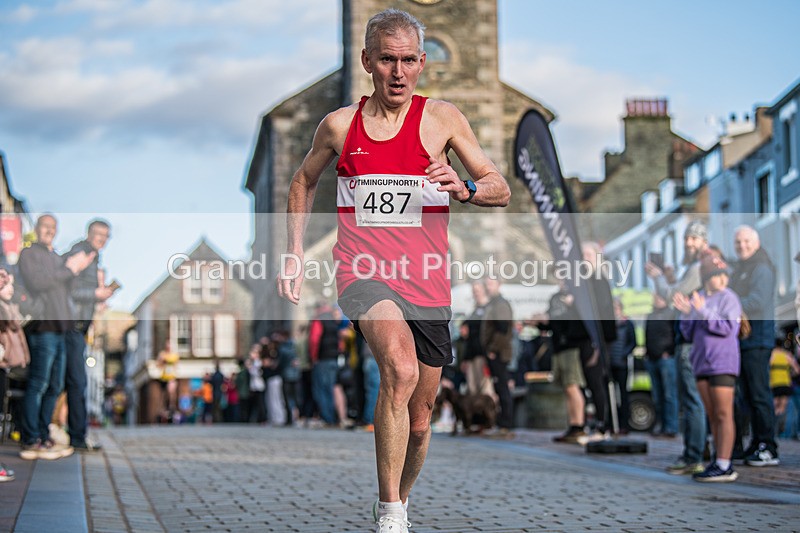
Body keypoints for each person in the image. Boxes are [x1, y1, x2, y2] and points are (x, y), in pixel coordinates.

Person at [276, 9, 510, 532]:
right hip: (364, 272)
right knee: (399, 370)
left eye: (408, 60)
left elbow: (500, 186)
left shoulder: (443, 119)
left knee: (422, 419)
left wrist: (466, 188)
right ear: (367, 62)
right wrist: (294, 253)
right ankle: (389, 512)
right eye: (387, 60)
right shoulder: (339, 126)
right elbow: (301, 182)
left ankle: (400, 499)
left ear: (422, 63)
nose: (398, 72)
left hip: (426, 276)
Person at [18, 214, 95, 460]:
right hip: (43, 328)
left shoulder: (55, 258)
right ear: (38, 229)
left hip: (63, 329)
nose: (49, 231)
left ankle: (43, 435)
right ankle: (30, 438)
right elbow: (38, 283)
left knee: (55, 386)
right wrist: (69, 270)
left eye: (53, 227)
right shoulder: (29, 254)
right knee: (39, 383)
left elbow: (67, 291)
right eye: (44, 226)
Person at [646, 220, 709, 475]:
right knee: (692, 400)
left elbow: (674, 296)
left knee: (692, 400)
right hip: (689, 338)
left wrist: (659, 278)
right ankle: (696, 451)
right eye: (687, 238)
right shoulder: (692, 267)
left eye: (693, 238)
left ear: (703, 241)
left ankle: (693, 455)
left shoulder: (698, 266)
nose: (688, 243)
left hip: (691, 341)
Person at [675, 249, 742, 482]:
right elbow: (689, 333)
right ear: (705, 278)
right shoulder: (700, 297)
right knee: (712, 414)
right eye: (716, 274)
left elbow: (729, 329)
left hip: (723, 362)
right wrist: (687, 314)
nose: (722, 278)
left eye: (724, 274)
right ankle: (717, 459)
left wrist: (702, 311)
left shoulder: (729, 298)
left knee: (724, 413)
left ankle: (725, 463)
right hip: (702, 362)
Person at [729, 225, 779, 466]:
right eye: (738, 242)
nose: (742, 246)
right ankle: (756, 443)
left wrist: (729, 305)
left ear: (756, 243)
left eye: (746, 241)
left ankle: (768, 446)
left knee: (760, 395)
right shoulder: (741, 268)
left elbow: (757, 301)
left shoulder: (761, 267)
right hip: (744, 341)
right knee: (748, 396)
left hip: (758, 340)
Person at [63, 219, 113, 451]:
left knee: (68, 382)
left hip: (78, 325)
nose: (102, 239)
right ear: (89, 233)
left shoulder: (93, 256)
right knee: (77, 382)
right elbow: (69, 288)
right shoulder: (81, 252)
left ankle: (73, 433)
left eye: (106, 236)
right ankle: (77, 436)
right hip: (72, 324)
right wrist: (96, 293)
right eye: (98, 234)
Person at [537, 282, 588, 443]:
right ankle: (572, 425)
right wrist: (541, 323)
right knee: (566, 387)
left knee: (573, 385)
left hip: (572, 346)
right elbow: (553, 323)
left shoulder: (577, 294)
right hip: (558, 346)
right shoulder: (554, 298)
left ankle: (580, 425)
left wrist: (573, 306)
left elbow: (583, 321)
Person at [481, 278, 514, 436]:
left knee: (502, 387)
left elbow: (503, 328)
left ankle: (505, 423)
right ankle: (501, 422)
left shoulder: (500, 304)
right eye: (486, 284)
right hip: (494, 352)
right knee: (498, 387)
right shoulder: (492, 303)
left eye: (491, 284)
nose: (488, 287)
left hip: (499, 353)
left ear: (499, 285)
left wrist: (493, 349)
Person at [644, 294, 678, 437]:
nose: (657, 299)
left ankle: (671, 427)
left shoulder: (671, 314)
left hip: (666, 359)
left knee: (669, 395)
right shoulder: (650, 316)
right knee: (657, 396)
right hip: (651, 359)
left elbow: (676, 334)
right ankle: (661, 425)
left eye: (659, 297)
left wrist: (669, 351)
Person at [608, 297, 636, 434]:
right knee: (610, 394)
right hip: (610, 364)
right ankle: (611, 423)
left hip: (622, 364)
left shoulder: (627, 324)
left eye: (616, 307)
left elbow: (633, 343)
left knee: (623, 395)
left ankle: (625, 424)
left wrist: (624, 354)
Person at [462, 282, 492, 396]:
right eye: (474, 291)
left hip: (483, 355)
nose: (476, 293)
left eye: (478, 290)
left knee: (485, 390)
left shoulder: (489, 308)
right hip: (471, 355)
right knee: (472, 389)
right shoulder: (475, 310)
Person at [156, 341, 180, 416]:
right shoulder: (162, 355)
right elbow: (158, 365)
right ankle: (163, 408)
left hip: (171, 377)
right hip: (164, 377)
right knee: (163, 394)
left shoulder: (174, 355)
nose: (168, 348)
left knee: (171, 392)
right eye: (167, 346)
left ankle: (171, 407)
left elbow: (176, 365)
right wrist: (163, 362)